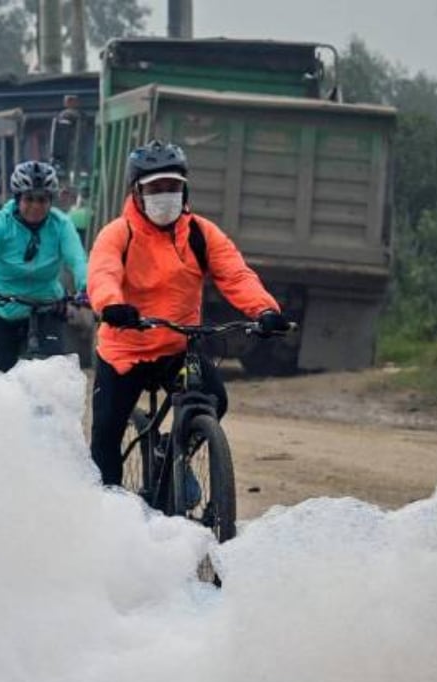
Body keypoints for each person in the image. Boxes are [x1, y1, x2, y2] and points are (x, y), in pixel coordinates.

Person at [85, 140, 293, 487]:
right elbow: (102, 273)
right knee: (105, 434)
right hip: (125, 351)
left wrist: (266, 310)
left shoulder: (201, 233)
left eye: (173, 187)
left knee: (213, 401)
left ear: (185, 190)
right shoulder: (118, 233)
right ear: (136, 192)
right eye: (155, 188)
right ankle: (109, 515)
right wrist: (111, 306)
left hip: (176, 348)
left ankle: (173, 450)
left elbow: (236, 274)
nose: (165, 195)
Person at [0, 160, 89, 372]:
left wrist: (86, 288)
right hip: (1, 309)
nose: (36, 206)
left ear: (51, 201)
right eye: (29, 199)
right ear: (17, 198)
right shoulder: (0, 222)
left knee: (53, 374)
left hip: (46, 306)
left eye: (42, 200)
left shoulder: (61, 225)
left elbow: (77, 260)